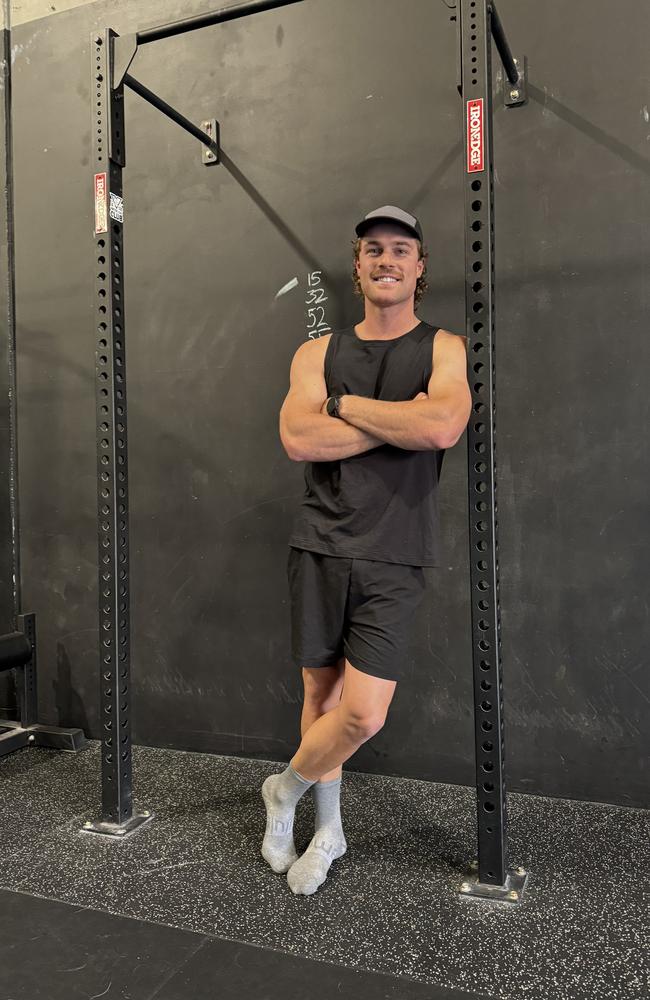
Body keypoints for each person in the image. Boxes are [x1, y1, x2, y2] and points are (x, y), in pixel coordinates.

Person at [263, 205, 472, 896]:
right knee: (319, 695)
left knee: (362, 713)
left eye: (401, 250)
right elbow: (299, 440)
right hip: (320, 543)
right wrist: (396, 419)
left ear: (419, 268)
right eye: (373, 249)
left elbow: (442, 425)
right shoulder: (314, 354)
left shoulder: (444, 348)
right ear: (357, 266)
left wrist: (345, 407)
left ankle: (284, 788)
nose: (387, 260)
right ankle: (327, 831)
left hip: (396, 551)